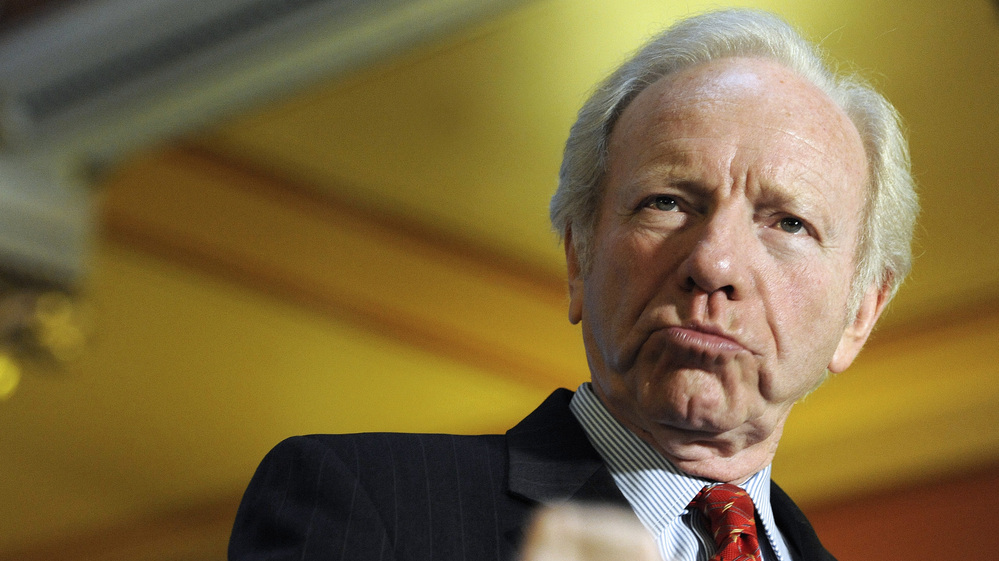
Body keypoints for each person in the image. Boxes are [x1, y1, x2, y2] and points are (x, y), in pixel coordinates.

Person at [228, 8, 917, 561]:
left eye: (787, 222)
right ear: (578, 257)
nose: (714, 262)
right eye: (667, 202)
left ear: (860, 311)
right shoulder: (363, 499)